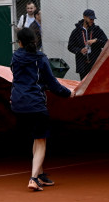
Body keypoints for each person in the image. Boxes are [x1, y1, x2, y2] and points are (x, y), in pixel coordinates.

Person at [12, 27, 72, 191]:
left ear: (20, 43)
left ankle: (39, 174)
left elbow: (23, 79)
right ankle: (33, 178)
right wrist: (68, 94)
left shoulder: (15, 57)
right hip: (35, 105)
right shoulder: (41, 59)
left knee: (36, 139)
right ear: (35, 41)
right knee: (41, 141)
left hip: (18, 105)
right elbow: (53, 84)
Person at [66, 9, 108, 80]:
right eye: (90, 18)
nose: (92, 21)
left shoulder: (96, 30)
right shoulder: (76, 32)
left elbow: (106, 42)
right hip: (82, 64)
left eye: (93, 19)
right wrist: (80, 50)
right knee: (83, 85)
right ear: (84, 17)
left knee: (95, 83)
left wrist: (96, 40)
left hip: (95, 63)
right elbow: (70, 46)